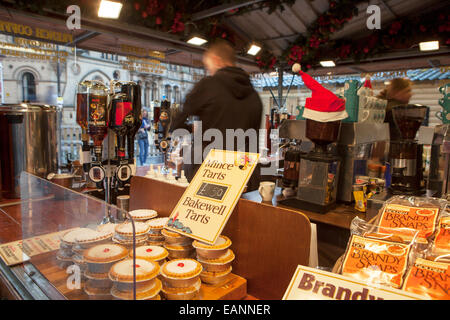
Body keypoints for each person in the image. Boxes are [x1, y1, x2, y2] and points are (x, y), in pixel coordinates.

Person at [170, 40, 263, 191]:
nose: (209, 72)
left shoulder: (209, 85)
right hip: (244, 174)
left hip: (209, 172)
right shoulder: (253, 95)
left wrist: (193, 128)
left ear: (217, 61)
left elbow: (176, 125)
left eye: (209, 67)